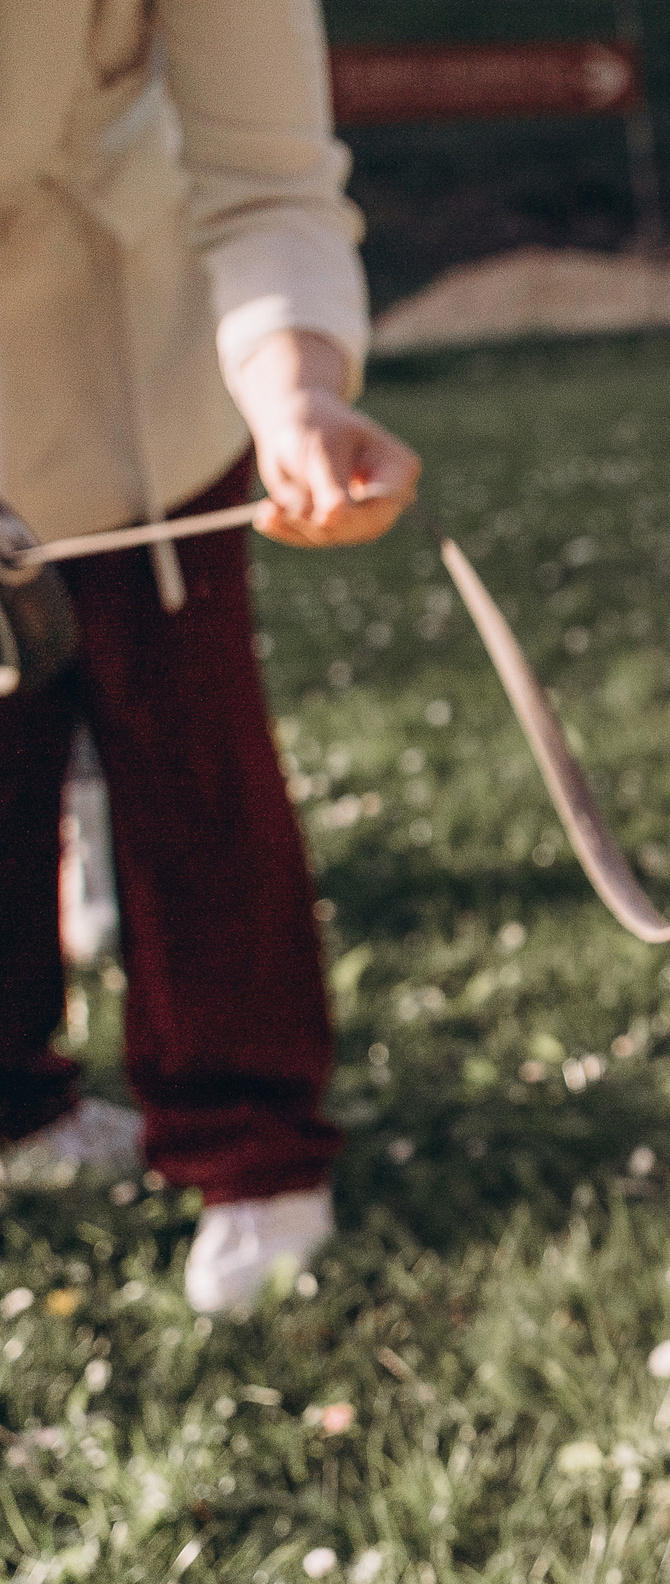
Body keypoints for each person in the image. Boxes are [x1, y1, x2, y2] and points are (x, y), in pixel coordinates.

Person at [1, 1, 421, 1312]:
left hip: (156, 369)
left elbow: (268, 176)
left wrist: (298, 394)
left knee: (198, 765)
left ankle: (252, 1147)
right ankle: (17, 1100)